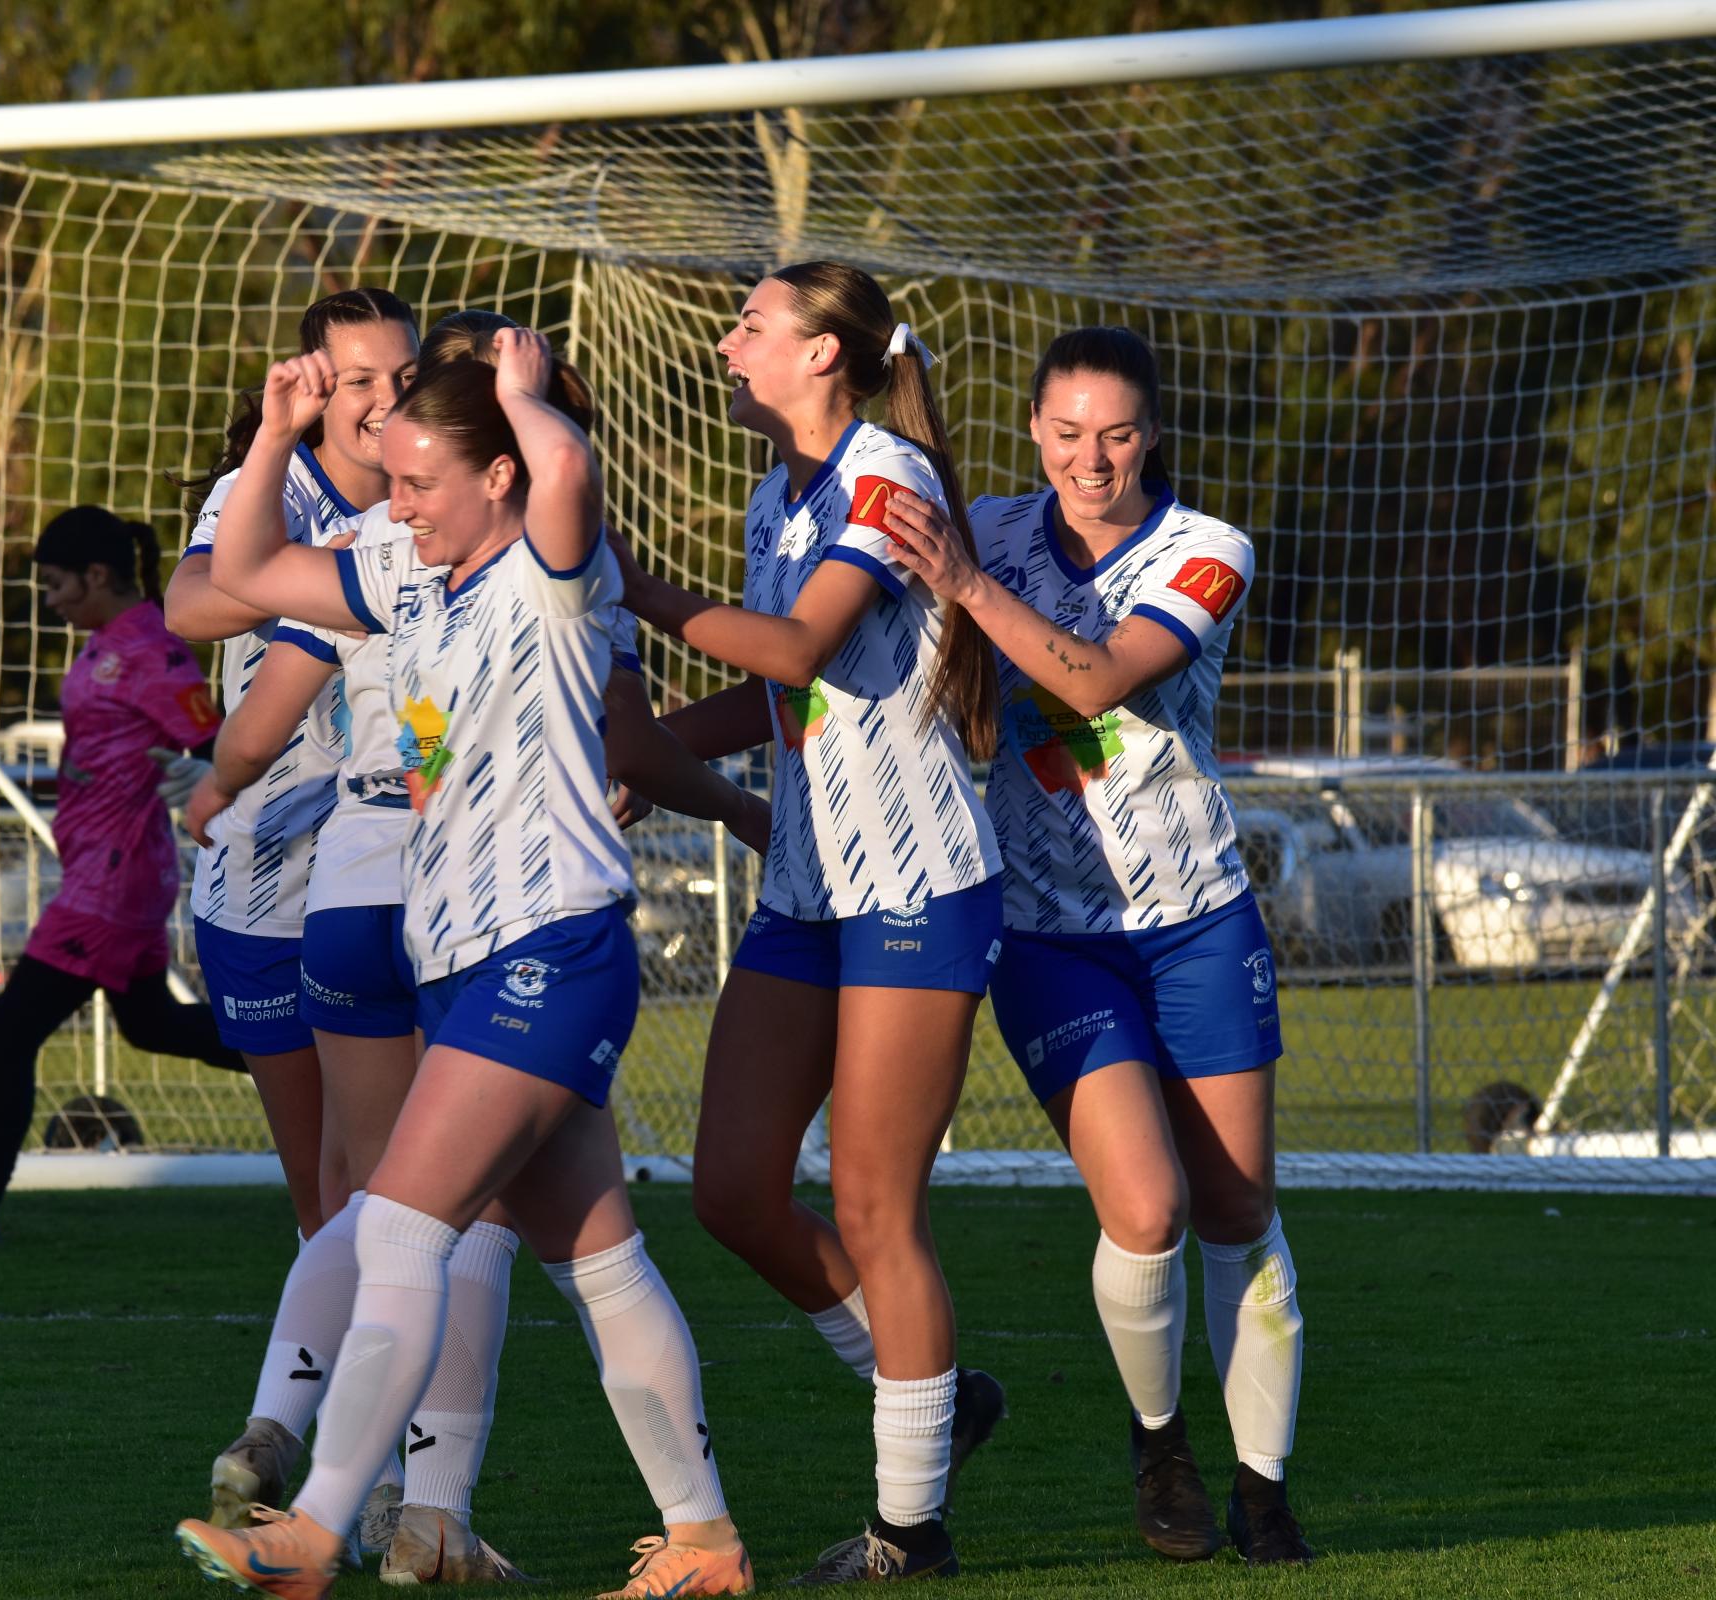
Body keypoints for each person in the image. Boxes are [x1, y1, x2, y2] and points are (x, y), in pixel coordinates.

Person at [183, 309, 766, 1584]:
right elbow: (244, 573)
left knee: (396, 1226)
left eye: (422, 483)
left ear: (497, 473)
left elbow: (562, 475)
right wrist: (280, 436)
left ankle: (320, 1528)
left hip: (546, 948)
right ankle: (706, 1539)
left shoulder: (554, 571)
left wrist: (527, 394)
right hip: (468, 963)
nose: (398, 505)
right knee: (602, 1262)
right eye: (389, 481)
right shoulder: (405, 572)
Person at [878, 326, 1310, 1566]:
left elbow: (1097, 680)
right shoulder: (994, 527)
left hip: (1199, 922)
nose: (1092, 458)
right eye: (1067, 433)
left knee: (1236, 1207)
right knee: (1150, 1203)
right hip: (1049, 937)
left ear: (1153, 433)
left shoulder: (1207, 551)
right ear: (1032, 431)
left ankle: (1265, 1492)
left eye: (1117, 432)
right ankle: (1161, 1441)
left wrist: (967, 583)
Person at [615, 260, 1006, 1581]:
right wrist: (639, 749)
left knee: (875, 1202)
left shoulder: (889, 477)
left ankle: (911, 1526)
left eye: (752, 325)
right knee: (729, 1189)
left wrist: (631, 587)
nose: (728, 344)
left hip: (914, 887)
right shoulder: (773, 494)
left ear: (825, 356)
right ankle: (942, 1401)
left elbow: (793, 651)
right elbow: (790, 705)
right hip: (806, 890)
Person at [0, 505, 245, 1250]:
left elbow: (214, 742)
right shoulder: (104, 645)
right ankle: (305, 1048)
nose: (48, 600)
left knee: (7, 1034)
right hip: (100, 871)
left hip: (112, 887)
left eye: (56, 584)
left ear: (95, 575)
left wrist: (202, 770)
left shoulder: (153, 650)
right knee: (150, 1027)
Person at [168, 288, 423, 1244]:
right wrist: (323, 572)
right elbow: (188, 608)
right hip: (270, 879)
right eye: (360, 380)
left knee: (417, 1182)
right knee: (330, 1200)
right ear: (316, 387)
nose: (386, 401)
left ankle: (416, 1388)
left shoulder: (434, 496)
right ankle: (342, 1388)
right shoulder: (262, 492)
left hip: (393, 863)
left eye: (405, 377)